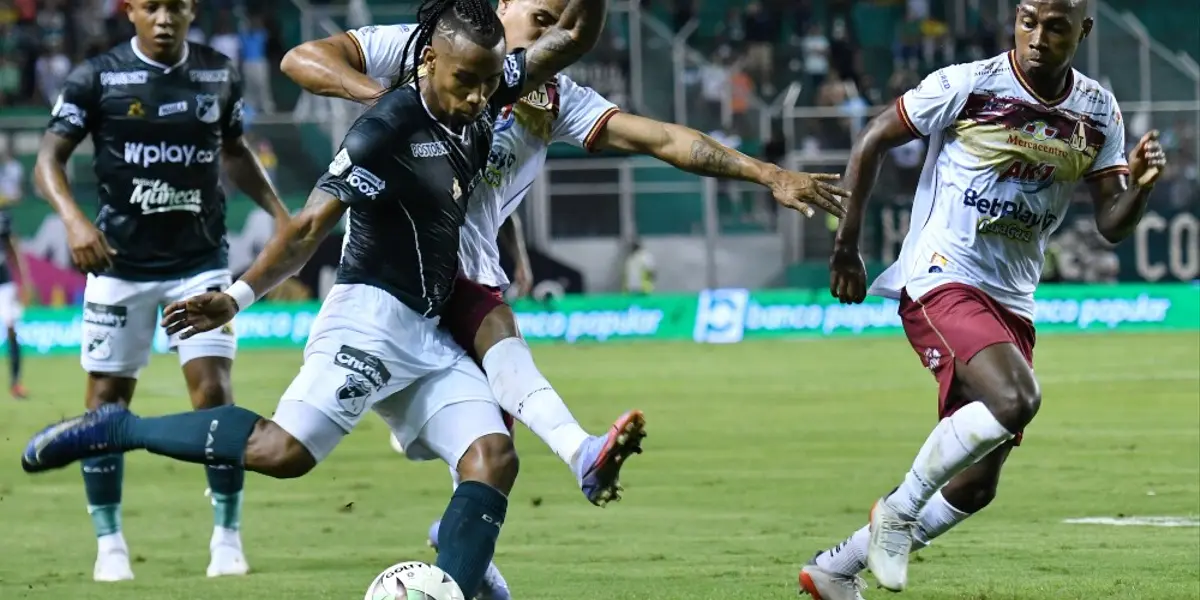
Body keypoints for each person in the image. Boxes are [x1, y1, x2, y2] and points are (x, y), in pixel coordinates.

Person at [22, 0, 608, 598]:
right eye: (465, 83)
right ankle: (120, 427)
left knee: (493, 458)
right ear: (429, 62)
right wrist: (236, 298)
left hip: (427, 333)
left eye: (490, 83)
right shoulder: (386, 128)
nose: (479, 99)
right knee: (282, 452)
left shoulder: (482, 82)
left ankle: (449, 590)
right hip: (368, 321)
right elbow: (308, 229)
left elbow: (572, 39)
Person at [283, 11, 848, 597]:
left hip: (468, 266)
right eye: (540, 16)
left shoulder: (553, 97)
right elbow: (301, 58)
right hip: (398, 272)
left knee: (492, 459)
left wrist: (767, 173)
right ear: (501, 10)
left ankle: (467, 560)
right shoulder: (422, 48)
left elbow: (663, 138)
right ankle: (579, 455)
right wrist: (394, 101)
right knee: (491, 340)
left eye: (560, 21)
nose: (550, 30)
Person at [797, 1, 1167, 598]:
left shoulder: (1098, 111)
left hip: (1013, 301)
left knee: (975, 486)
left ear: (1084, 31)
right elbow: (872, 141)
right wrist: (846, 246)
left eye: (1055, 26)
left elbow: (1112, 223)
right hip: (943, 277)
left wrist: (1143, 189)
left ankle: (835, 570)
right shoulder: (969, 84)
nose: (1037, 36)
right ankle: (897, 511)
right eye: (1027, 20)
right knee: (1017, 398)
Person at [33, 0, 290, 583]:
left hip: (199, 263)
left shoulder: (217, 73)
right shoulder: (95, 77)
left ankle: (227, 537)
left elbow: (233, 150)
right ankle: (110, 545)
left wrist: (278, 210)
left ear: (191, 9)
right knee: (105, 403)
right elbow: (48, 158)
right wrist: (75, 221)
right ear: (130, 11)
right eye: (152, 7)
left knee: (213, 395)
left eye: (175, 6)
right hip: (119, 266)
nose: (165, 17)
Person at [0, 209, 32, 399]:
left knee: (12, 329)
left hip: (4, 282)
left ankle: (16, 383)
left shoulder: (3, 218)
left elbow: (13, 249)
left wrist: (24, 279)